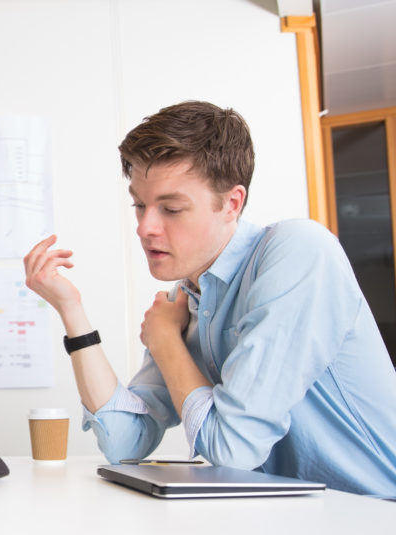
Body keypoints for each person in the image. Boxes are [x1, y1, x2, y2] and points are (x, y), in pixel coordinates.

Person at [24, 100, 396, 497]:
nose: (145, 227)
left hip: (376, 515)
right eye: (139, 205)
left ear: (231, 204)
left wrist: (167, 342)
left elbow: (232, 450)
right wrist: (71, 310)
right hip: (297, 518)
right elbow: (124, 442)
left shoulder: (299, 252)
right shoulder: (186, 300)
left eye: (171, 208)